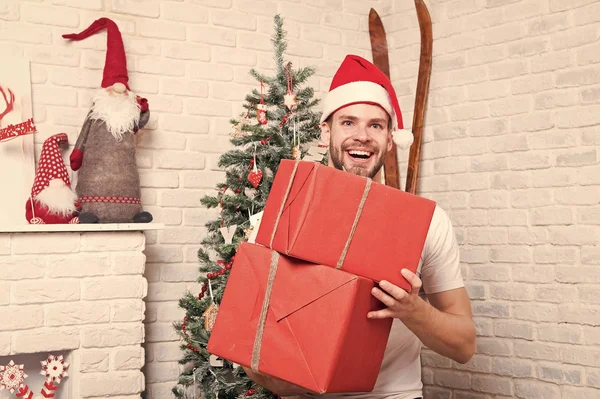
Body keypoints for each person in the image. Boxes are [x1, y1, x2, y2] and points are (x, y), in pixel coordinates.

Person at [243, 54, 476, 399]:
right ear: (326, 130)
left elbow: (464, 345)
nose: (362, 136)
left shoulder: (427, 222)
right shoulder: (277, 219)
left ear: (389, 137)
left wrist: (413, 310)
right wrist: (283, 373)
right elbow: (251, 350)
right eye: (348, 123)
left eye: (375, 125)